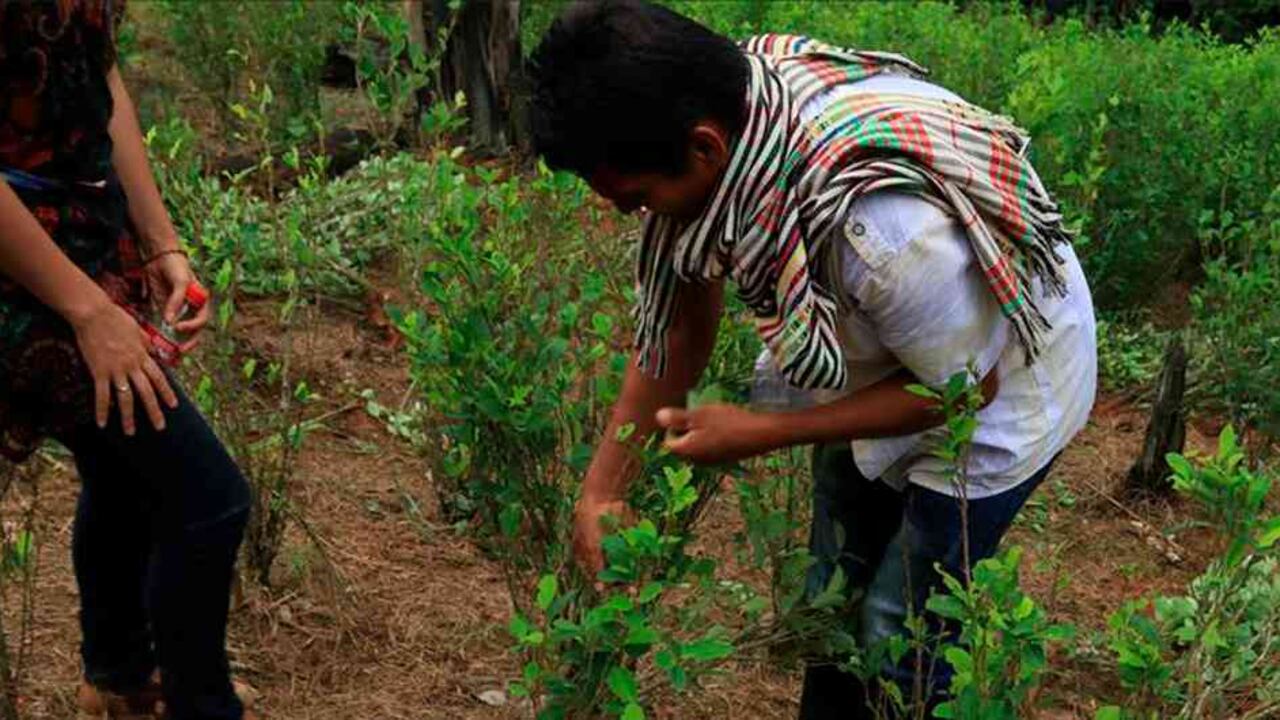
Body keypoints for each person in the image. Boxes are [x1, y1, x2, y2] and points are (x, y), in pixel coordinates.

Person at [528, 1, 1097, 717]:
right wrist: (602, 490)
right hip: (890, 352)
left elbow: (964, 391)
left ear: (704, 150)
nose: (627, 216)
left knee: (901, 629)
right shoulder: (730, 119)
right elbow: (678, 324)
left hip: (1002, 387)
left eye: (637, 198)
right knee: (832, 597)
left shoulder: (883, 232)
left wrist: (760, 430)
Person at [0, 1, 254, 718]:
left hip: (82, 239)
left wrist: (161, 242)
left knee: (121, 466)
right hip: (22, 265)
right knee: (209, 500)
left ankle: (115, 680)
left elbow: (99, 69)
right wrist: (87, 312)